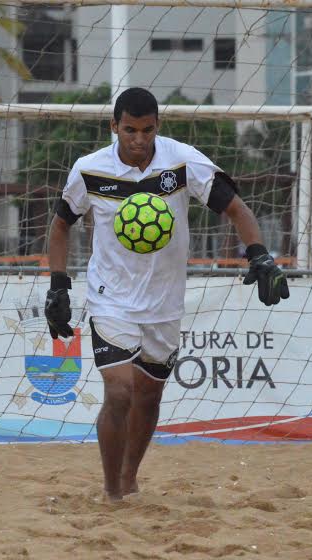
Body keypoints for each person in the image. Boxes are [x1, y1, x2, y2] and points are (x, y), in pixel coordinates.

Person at [45, 88, 289, 502]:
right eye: (129, 130)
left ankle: (129, 476)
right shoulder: (89, 170)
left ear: (158, 127)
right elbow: (61, 224)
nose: (139, 139)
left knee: (149, 394)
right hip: (111, 298)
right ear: (114, 127)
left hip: (164, 301)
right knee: (119, 392)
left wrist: (259, 256)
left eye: (147, 130)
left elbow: (236, 209)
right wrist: (58, 285)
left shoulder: (182, 161)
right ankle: (111, 492)